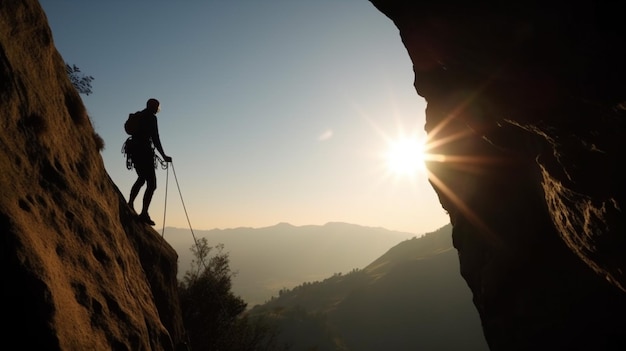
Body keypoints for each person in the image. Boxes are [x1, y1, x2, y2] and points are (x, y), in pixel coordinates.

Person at [126, 98, 172, 225]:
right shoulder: (151, 118)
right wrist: (164, 156)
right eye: (157, 107)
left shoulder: (140, 115)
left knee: (141, 178)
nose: (158, 109)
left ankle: (130, 203)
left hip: (134, 151)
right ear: (153, 107)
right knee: (152, 184)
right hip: (144, 152)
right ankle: (144, 213)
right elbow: (155, 138)